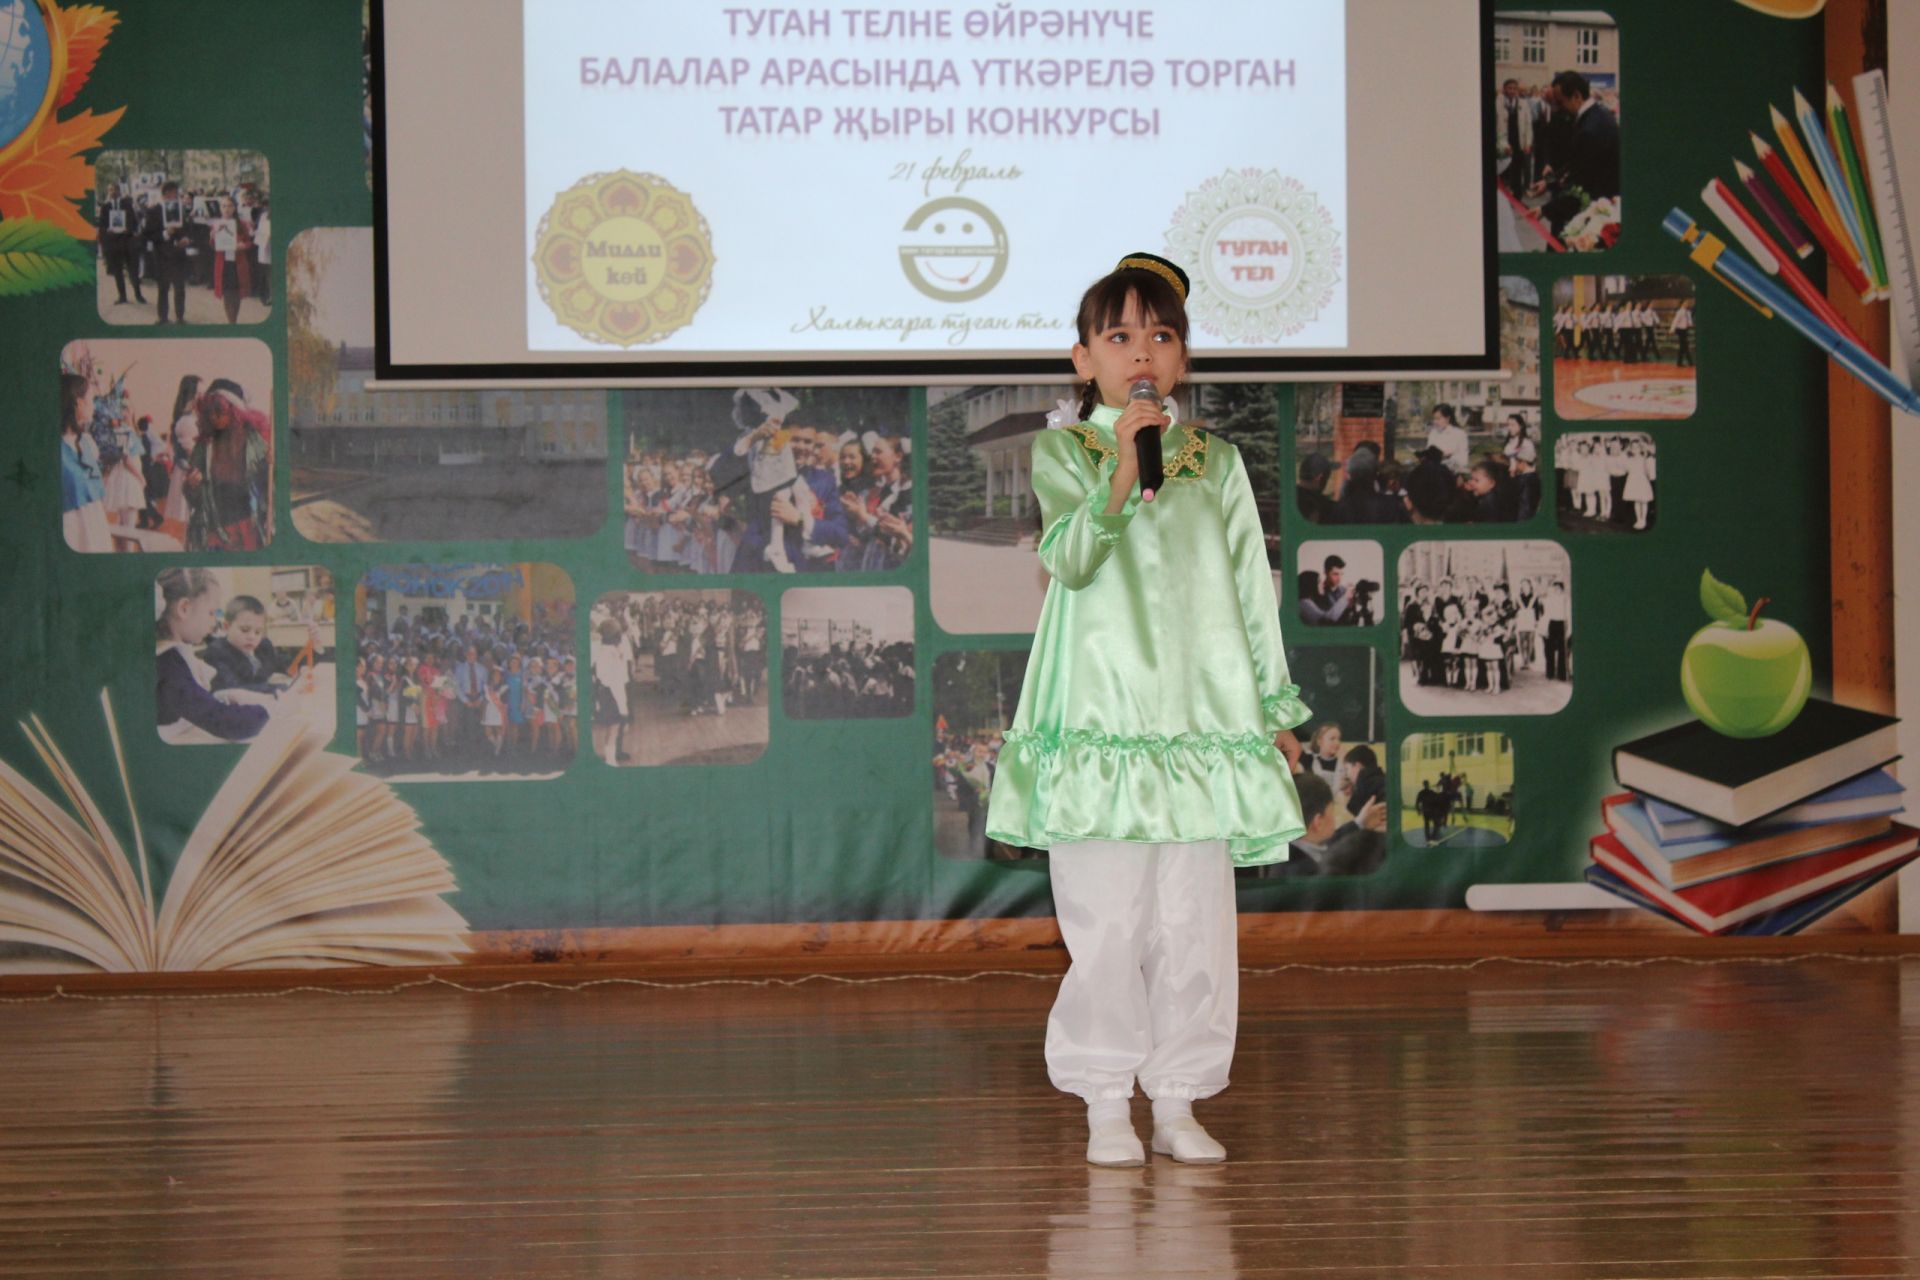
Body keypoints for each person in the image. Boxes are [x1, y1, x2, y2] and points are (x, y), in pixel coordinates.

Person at [984, 253, 1311, 1169]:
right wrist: (1125, 467)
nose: (1143, 352)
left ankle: (1177, 1100)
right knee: (1106, 917)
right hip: (1101, 721)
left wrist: (1274, 710)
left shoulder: (1221, 464)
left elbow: (1254, 591)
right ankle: (1102, 1103)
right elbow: (1074, 557)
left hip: (1204, 727)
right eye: (1120, 335)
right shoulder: (1064, 452)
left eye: (1161, 336)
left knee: (1194, 923)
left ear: (1182, 359)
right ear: (1082, 359)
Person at [155, 568, 273, 744]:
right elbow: (224, 722)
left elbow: (196, 702)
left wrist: (225, 695)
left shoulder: (174, 656)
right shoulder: (167, 663)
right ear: (184, 608)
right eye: (211, 613)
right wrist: (270, 710)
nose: (213, 622)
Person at [183, 379, 272, 550]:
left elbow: (270, 486)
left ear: (234, 411)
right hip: (213, 530)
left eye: (219, 411)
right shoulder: (204, 445)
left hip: (248, 529)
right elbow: (194, 500)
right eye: (209, 412)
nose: (213, 417)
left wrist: (271, 466)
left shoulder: (254, 441)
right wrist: (192, 486)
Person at [59, 372, 113, 553]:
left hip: (94, 524)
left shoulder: (87, 442)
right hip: (70, 529)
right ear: (77, 402)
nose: (94, 406)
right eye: (91, 399)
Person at [141, 181, 194, 324]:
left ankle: (180, 317)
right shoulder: (153, 211)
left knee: (180, 287)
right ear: (166, 194)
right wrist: (165, 233)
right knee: (163, 288)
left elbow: (188, 229)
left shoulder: (180, 209)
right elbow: (147, 234)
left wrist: (186, 239)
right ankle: (163, 318)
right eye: (174, 194)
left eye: (177, 194)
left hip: (178, 254)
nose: (176, 196)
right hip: (162, 255)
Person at [97, 182, 146, 305]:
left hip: (127, 241)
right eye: (109, 190)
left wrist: (128, 229)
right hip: (114, 243)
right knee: (118, 272)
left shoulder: (127, 204)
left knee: (133, 271)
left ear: (118, 191)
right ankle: (122, 296)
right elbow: (102, 225)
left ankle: (138, 295)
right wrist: (107, 230)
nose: (111, 192)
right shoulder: (105, 206)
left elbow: (134, 222)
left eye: (113, 189)